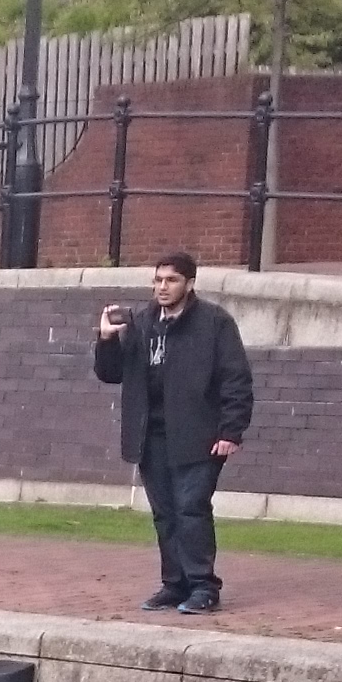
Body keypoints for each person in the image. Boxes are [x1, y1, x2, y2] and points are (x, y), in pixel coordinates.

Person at [93, 251, 254, 616]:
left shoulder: (214, 323)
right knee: (164, 513)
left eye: (171, 280)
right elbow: (110, 373)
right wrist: (106, 340)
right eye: (158, 280)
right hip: (151, 436)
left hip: (199, 435)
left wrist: (231, 430)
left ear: (190, 283)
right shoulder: (140, 321)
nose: (162, 287)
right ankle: (174, 583)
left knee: (191, 509)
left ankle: (203, 586)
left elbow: (236, 380)